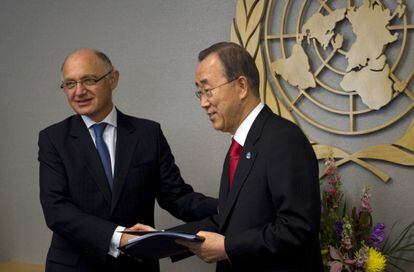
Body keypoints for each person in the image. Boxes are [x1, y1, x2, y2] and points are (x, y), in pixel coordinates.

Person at [38, 48, 217, 272]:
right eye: (70, 84)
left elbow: (177, 197)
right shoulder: (53, 139)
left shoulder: (148, 134)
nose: (79, 91)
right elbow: (57, 211)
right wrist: (119, 236)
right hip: (74, 267)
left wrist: (232, 207)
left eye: (89, 80)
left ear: (113, 79)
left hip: (136, 265)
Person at [173, 42, 323, 271]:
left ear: (241, 86)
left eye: (208, 90)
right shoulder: (239, 147)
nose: (203, 102)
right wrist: (158, 238)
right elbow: (230, 218)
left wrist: (228, 247)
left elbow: (297, 227)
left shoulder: (284, 139)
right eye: (199, 93)